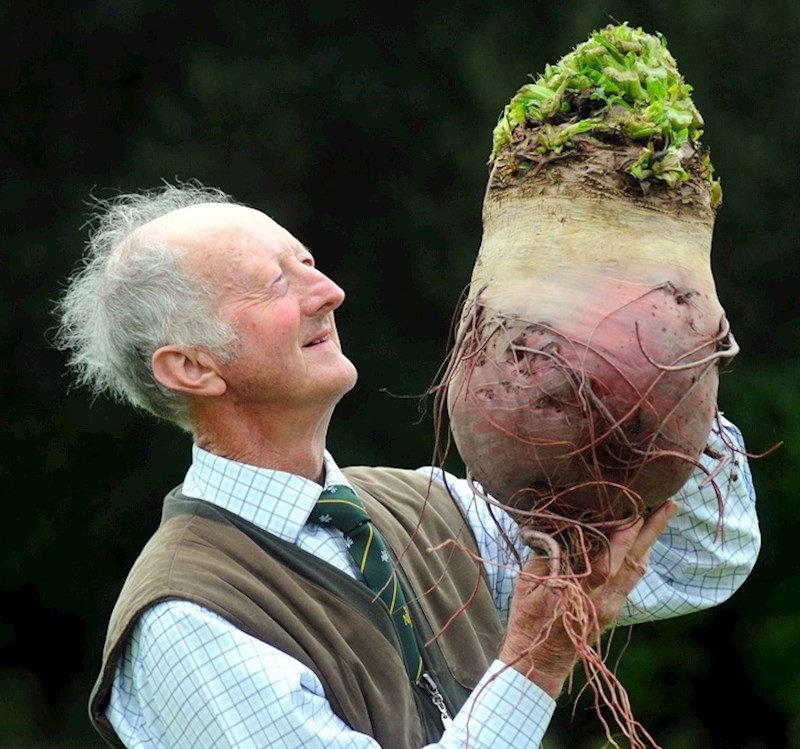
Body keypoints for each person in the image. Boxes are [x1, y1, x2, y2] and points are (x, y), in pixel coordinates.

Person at [55, 181, 760, 749]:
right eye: (273, 283)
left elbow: (699, 557)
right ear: (191, 368)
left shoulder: (425, 509)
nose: (328, 291)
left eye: (307, 263)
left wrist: (661, 360)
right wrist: (534, 662)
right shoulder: (185, 619)